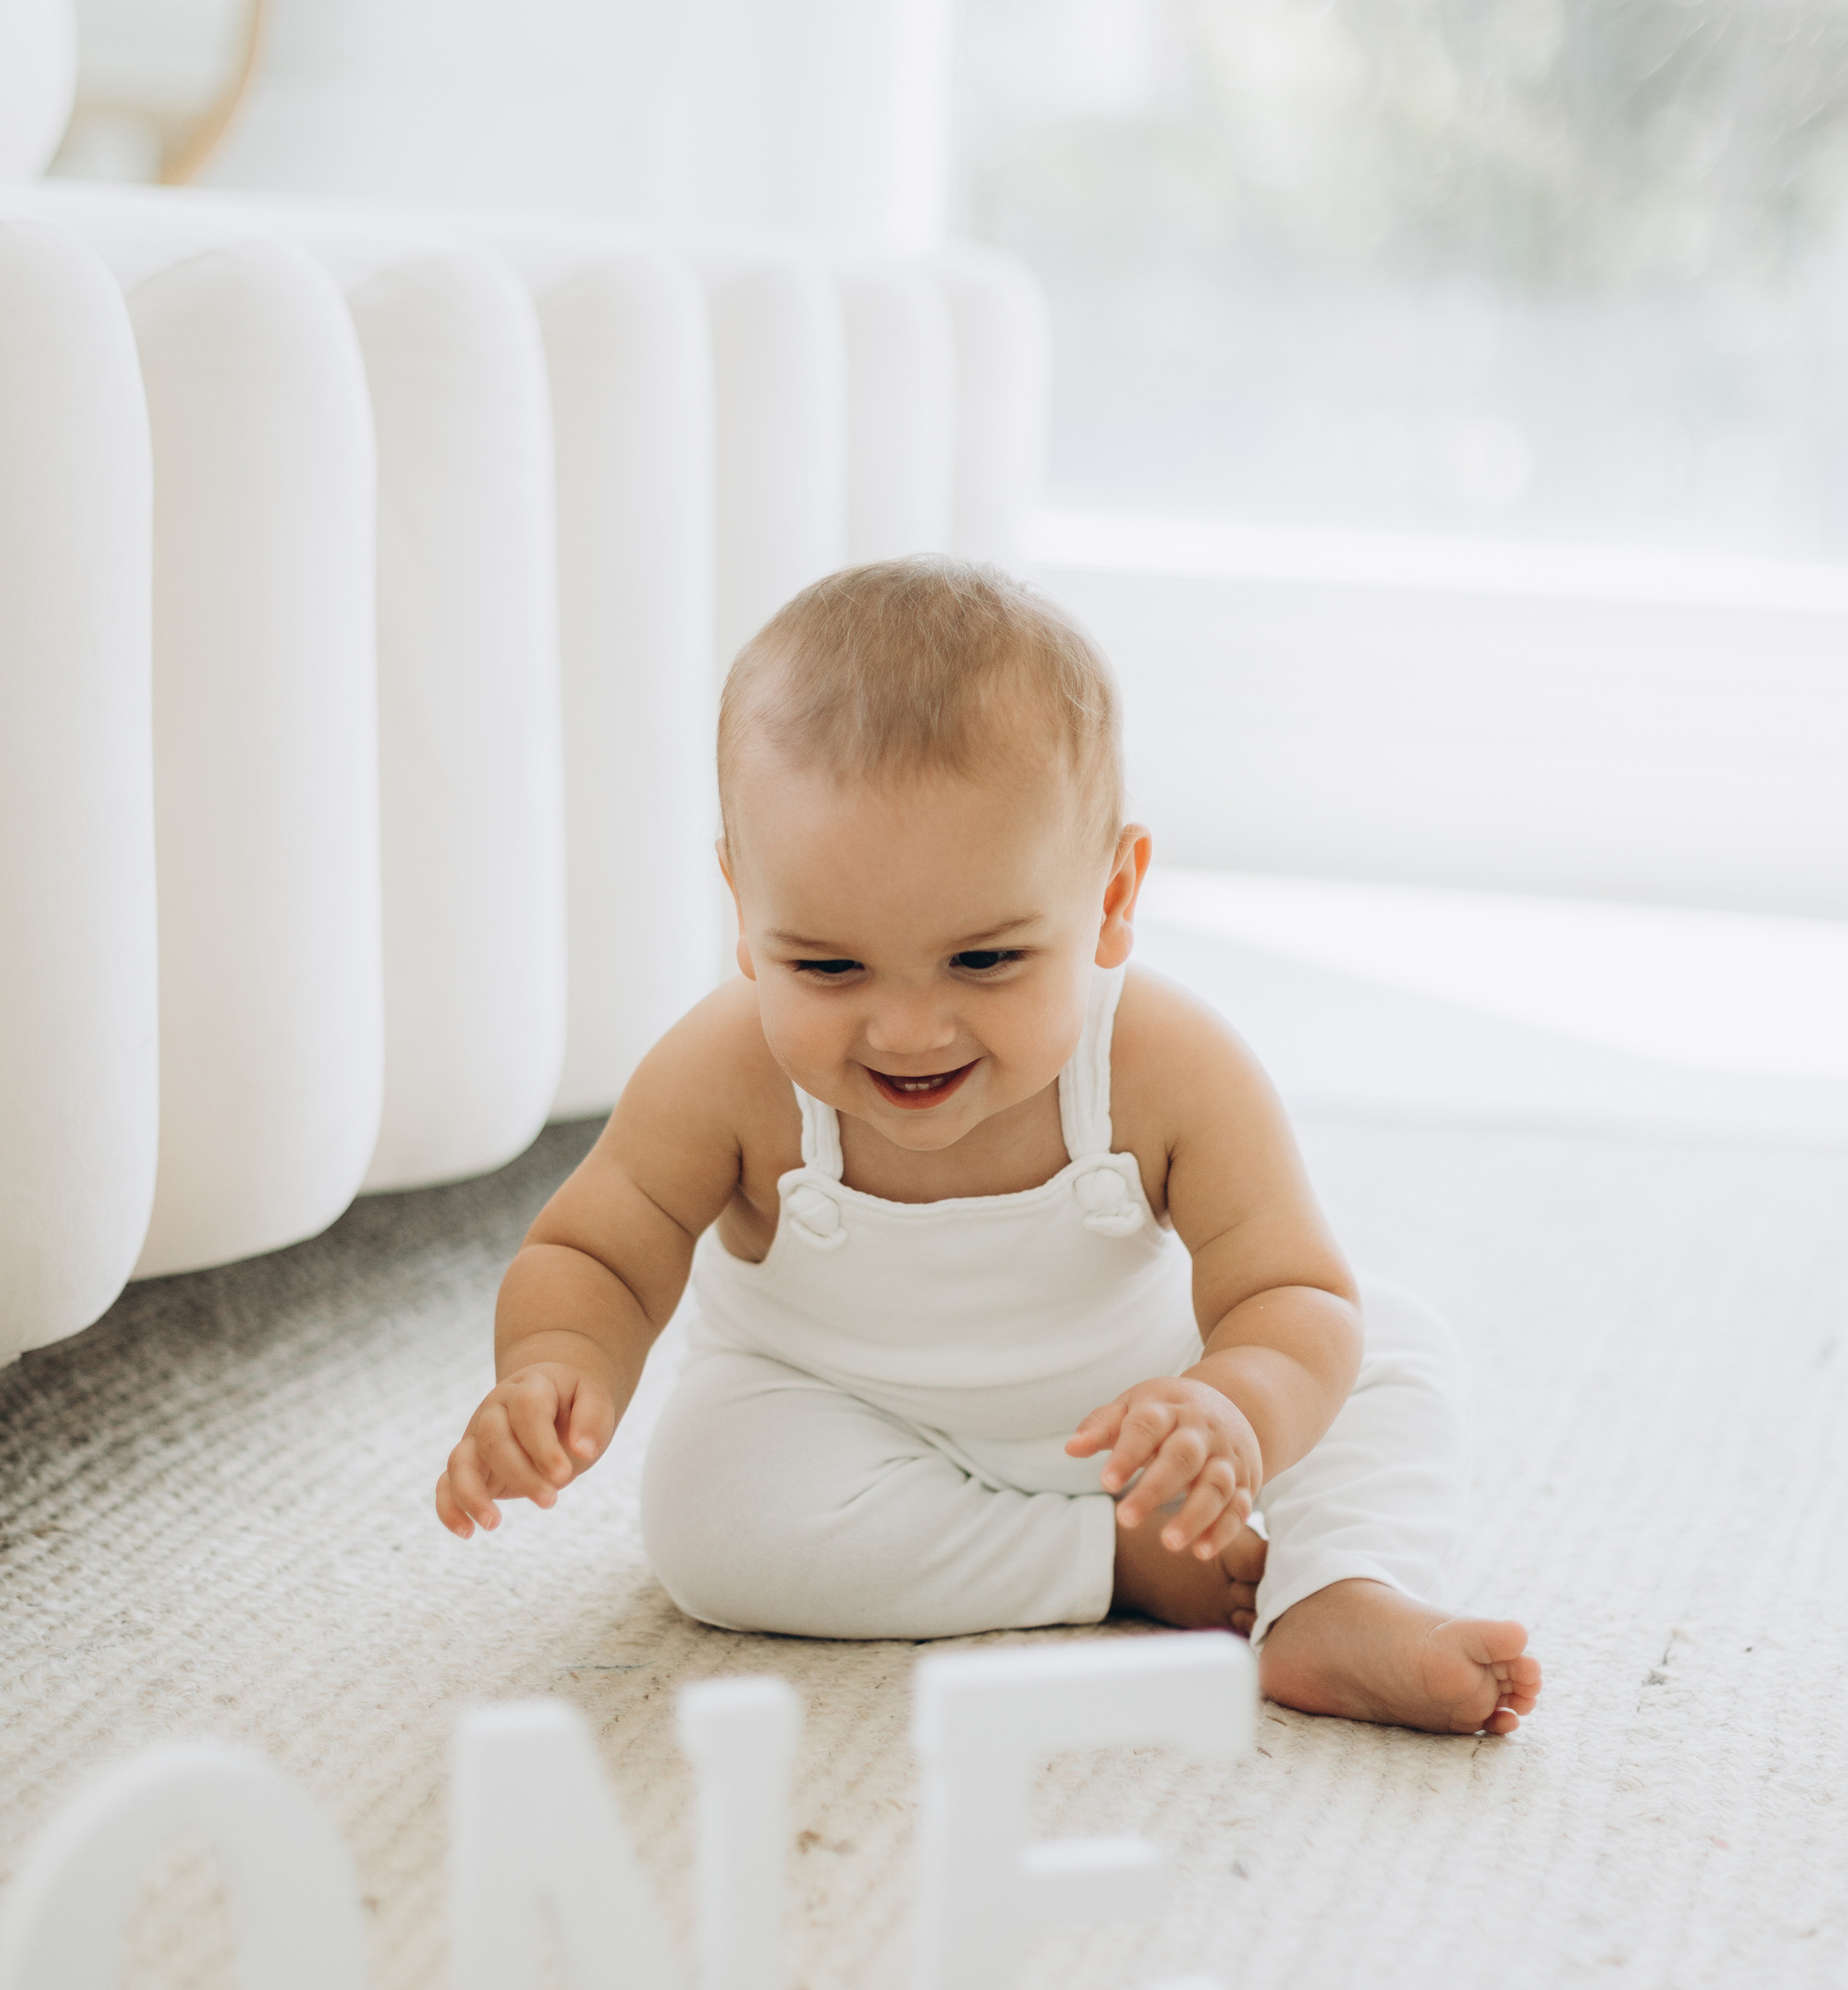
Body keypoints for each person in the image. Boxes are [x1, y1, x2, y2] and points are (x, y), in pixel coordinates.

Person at [437, 559, 1540, 1736]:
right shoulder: (726, 1072)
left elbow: (1289, 1287)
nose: (908, 1028)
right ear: (743, 905)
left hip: (1152, 1423)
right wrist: (556, 1365)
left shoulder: (1164, 1064)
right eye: (827, 965)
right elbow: (602, 1250)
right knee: (709, 1516)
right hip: (842, 1419)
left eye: (984, 961)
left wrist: (1235, 1408)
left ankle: (1334, 1591)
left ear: (1112, 896)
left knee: (1390, 1349)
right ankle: (1106, 1563)